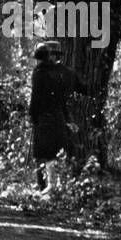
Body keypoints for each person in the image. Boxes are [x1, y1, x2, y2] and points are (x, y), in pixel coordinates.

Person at [29, 41, 91, 194]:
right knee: (58, 153)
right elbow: (85, 89)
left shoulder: (40, 73)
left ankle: (44, 188)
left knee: (42, 153)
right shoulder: (68, 73)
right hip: (62, 118)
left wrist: (32, 116)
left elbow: (35, 98)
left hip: (44, 118)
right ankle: (57, 187)